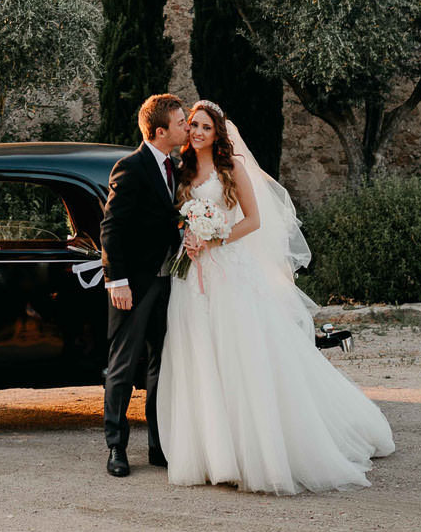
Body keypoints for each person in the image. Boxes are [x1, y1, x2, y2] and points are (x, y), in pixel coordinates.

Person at [157, 99, 395, 495]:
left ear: (218, 134)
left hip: (227, 270)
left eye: (205, 127)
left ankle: (257, 451)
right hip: (189, 276)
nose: (197, 132)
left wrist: (215, 237)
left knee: (240, 356)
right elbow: (177, 217)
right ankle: (214, 454)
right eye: (193, 126)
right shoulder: (181, 170)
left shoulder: (232, 169)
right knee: (199, 356)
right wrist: (188, 235)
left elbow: (253, 220)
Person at [100, 92, 189, 477]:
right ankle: (116, 448)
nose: (187, 127)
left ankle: (158, 446)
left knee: (160, 366)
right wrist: (115, 280)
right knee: (122, 366)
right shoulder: (131, 167)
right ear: (159, 131)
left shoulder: (178, 165)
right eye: (182, 122)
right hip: (133, 284)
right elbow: (111, 228)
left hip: (169, 281)